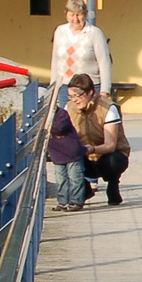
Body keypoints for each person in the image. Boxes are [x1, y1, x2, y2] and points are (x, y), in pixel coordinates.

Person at [68, 73, 130, 206]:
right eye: (71, 96)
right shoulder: (69, 108)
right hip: (83, 155)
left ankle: (113, 183)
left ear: (90, 92)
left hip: (107, 154)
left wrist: (91, 149)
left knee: (114, 160)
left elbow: (110, 145)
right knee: (64, 157)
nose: (75, 100)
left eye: (78, 95)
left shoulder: (108, 108)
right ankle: (84, 189)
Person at [50, 0, 112, 95]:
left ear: (85, 14)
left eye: (79, 14)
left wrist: (104, 91)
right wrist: (52, 88)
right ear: (66, 14)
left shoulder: (95, 33)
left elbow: (104, 63)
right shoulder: (60, 31)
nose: (75, 19)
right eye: (72, 15)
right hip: (64, 87)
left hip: (89, 88)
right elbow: (55, 60)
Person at [48, 83, 87, 212]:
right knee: (61, 179)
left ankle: (76, 201)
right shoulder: (41, 119)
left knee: (75, 177)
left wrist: (46, 125)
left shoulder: (62, 113)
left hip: (72, 151)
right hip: (57, 153)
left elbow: (60, 128)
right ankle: (62, 201)